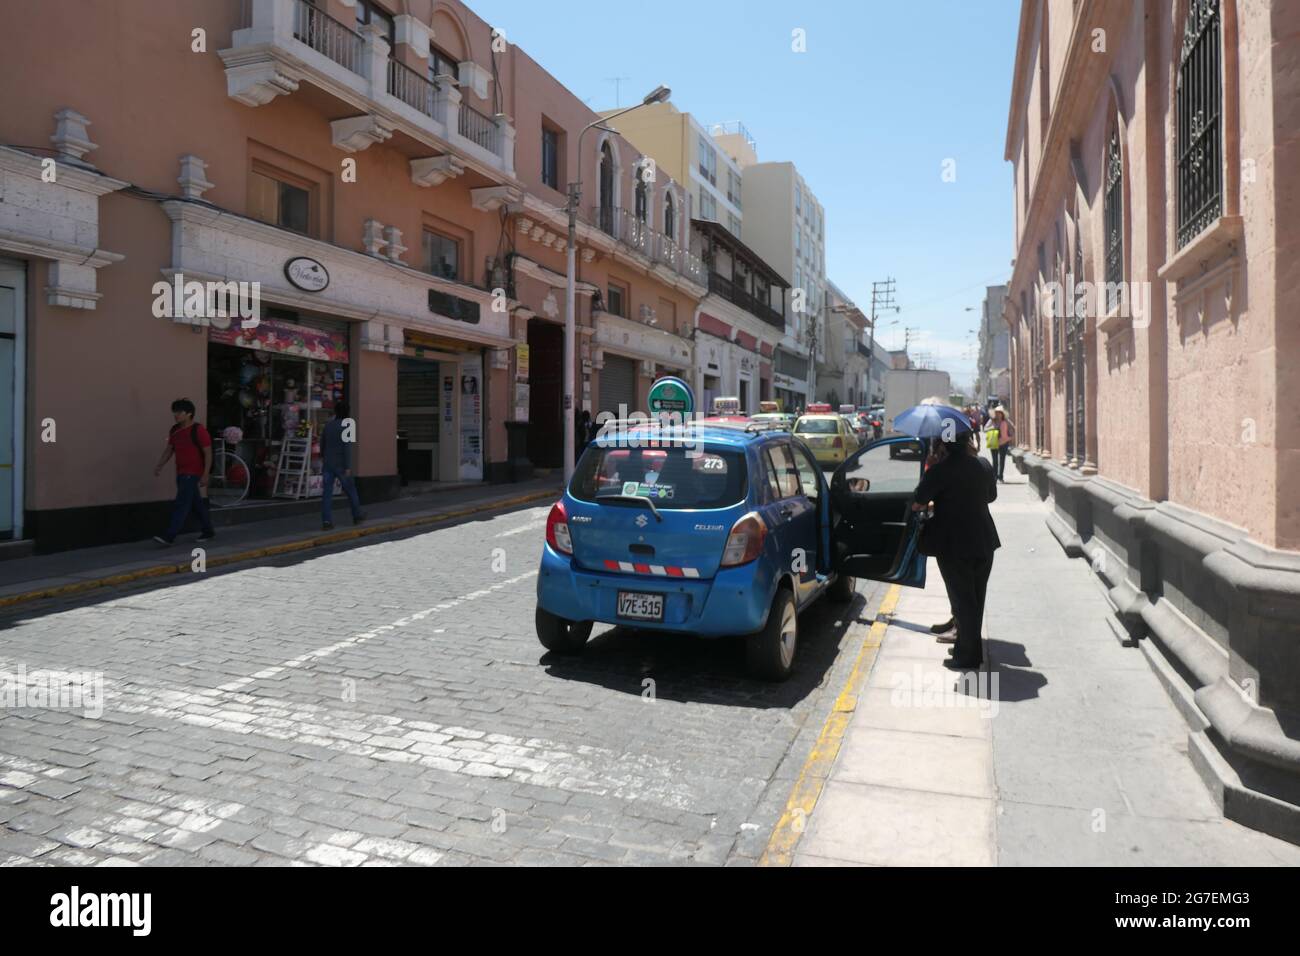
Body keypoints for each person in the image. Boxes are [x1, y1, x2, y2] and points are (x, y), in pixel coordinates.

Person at [913, 430, 1000, 669]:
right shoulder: (983, 465)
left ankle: (967, 657)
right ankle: (968, 649)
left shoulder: (940, 470)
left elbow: (917, 502)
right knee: (975, 598)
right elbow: (991, 496)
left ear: (944, 444)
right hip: (984, 540)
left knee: (962, 601)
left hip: (953, 544)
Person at [153, 398, 216, 546]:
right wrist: (159, 465)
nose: (176, 415)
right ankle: (208, 530)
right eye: (174, 412)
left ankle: (169, 535)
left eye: (179, 412)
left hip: (192, 472)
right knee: (196, 504)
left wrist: (206, 474)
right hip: (181, 472)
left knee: (181, 503)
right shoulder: (175, 430)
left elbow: (208, 453)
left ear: (189, 414)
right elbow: (169, 450)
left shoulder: (199, 430)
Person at [320, 401, 365, 530]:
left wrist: (325, 457)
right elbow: (347, 448)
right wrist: (348, 466)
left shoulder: (328, 426)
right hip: (341, 464)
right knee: (351, 490)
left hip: (328, 463)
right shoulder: (348, 426)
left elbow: (323, 444)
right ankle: (357, 515)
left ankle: (327, 521)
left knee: (327, 493)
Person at [991, 407, 1015, 481]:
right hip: (994, 442)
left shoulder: (1006, 421)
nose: (998, 414)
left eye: (999, 413)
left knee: (1002, 460)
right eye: (996, 412)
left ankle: (1000, 476)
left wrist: (1009, 438)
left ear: (1002, 414)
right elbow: (985, 428)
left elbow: (1013, 429)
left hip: (1004, 443)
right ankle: (995, 476)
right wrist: (992, 428)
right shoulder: (992, 421)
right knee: (995, 461)